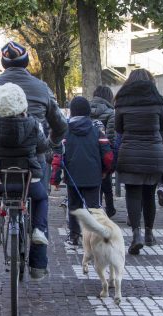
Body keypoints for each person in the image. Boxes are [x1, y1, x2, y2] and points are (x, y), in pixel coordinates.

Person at [0, 40, 68, 280]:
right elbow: (60, 125)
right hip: (33, 159)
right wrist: (51, 146)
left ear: (3, 63)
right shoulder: (42, 88)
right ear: (26, 62)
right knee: (40, 200)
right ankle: (38, 265)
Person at [0, 83, 49, 251]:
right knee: (41, 198)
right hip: (29, 180)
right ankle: (39, 230)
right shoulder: (33, 123)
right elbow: (43, 146)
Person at [114, 68, 163, 254]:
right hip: (154, 152)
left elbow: (119, 128)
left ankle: (135, 234)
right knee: (149, 194)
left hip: (129, 152)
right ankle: (149, 233)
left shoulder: (121, 102)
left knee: (133, 194)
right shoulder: (157, 101)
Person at [64, 96, 114, 245]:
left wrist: (58, 175)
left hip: (72, 177)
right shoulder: (97, 131)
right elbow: (107, 155)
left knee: (74, 206)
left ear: (71, 112)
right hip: (93, 176)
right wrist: (106, 170)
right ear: (88, 113)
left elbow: (60, 154)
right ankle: (96, 236)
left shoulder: (66, 132)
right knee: (94, 207)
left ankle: (74, 235)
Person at [90, 86, 117, 217]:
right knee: (106, 181)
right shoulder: (111, 113)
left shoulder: (86, 109)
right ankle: (110, 208)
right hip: (105, 151)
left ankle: (96, 206)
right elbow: (111, 136)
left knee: (94, 181)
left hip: (89, 152)